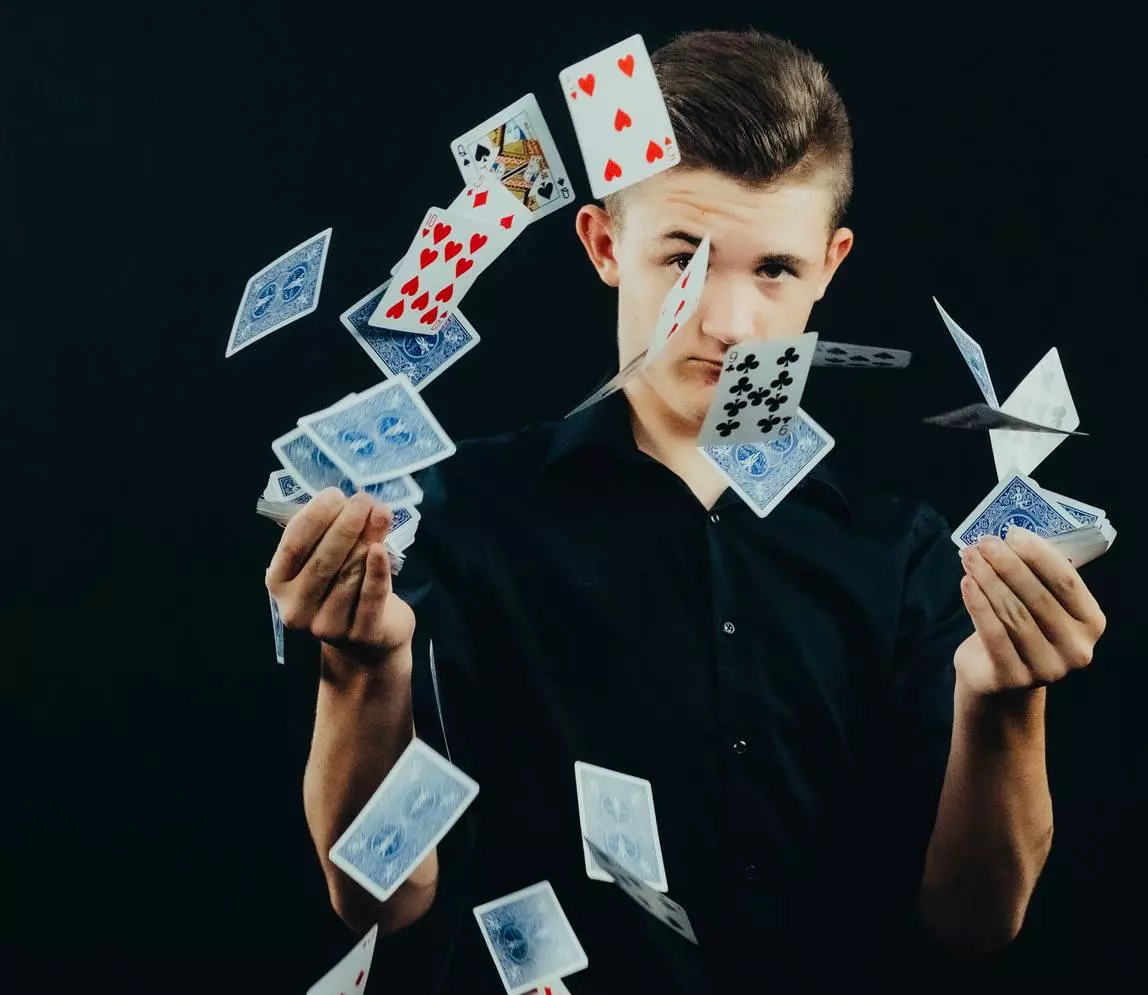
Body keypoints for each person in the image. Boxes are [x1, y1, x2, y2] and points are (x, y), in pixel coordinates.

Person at [265, 28, 1107, 993]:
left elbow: (977, 923)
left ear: (831, 266)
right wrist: (357, 669)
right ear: (602, 244)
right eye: (684, 257)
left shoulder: (909, 559)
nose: (729, 322)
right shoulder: (459, 519)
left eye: (775, 270)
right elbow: (379, 898)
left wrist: (1008, 704)